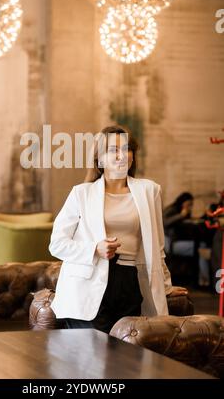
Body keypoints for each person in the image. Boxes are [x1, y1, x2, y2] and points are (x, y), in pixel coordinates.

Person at [49, 125, 187, 334]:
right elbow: (57, 244)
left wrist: (165, 287)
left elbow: (157, 248)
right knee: (92, 355)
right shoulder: (81, 193)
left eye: (127, 149)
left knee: (127, 357)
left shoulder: (150, 191)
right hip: (88, 284)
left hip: (131, 281)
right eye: (113, 149)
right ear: (100, 159)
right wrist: (94, 249)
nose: (122, 155)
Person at [163, 193, 210, 287]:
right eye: (188, 204)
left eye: (191, 205)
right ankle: (204, 281)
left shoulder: (182, 210)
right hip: (171, 244)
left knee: (201, 246)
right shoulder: (172, 210)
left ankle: (203, 280)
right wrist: (181, 215)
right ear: (182, 202)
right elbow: (164, 223)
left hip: (178, 241)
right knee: (201, 248)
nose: (190, 207)